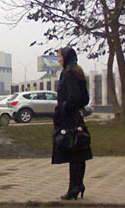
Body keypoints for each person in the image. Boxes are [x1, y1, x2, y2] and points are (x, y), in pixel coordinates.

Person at [52, 47, 92, 200]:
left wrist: (62, 108)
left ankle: (74, 188)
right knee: (78, 152)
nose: (59, 60)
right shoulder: (78, 72)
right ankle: (77, 185)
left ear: (67, 57)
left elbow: (74, 98)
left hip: (69, 118)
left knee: (73, 152)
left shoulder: (69, 75)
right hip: (76, 117)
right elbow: (85, 99)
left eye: (60, 57)